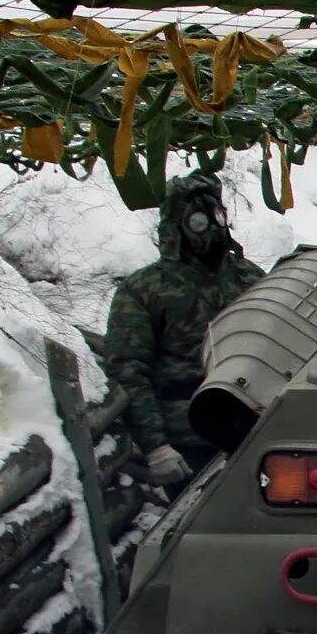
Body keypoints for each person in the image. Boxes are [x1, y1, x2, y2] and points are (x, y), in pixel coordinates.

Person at [102, 171, 265, 485]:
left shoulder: (247, 276)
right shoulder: (144, 289)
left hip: (255, 425)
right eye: (198, 220)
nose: (211, 227)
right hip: (188, 440)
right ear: (177, 225)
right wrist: (156, 446)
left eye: (216, 216)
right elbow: (128, 370)